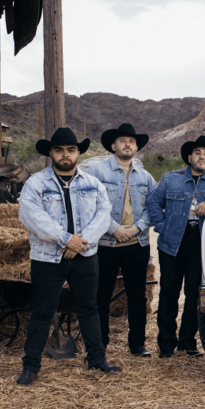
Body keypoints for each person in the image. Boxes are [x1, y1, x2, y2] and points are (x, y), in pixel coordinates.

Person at [17, 127, 119, 385]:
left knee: (88, 309)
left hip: (85, 256)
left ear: (78, 153)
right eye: (59, 150)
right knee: (42, 311)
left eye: (71, 150)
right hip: (47, 259)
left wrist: (80, 243)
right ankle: (31, 366)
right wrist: (66, 239)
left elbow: (103, 216)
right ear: (50, 153)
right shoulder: (36, 183)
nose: (65, 155)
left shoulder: (92, 184)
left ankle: (97, 359)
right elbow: (31, 217)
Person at [147, 136, 205, 358]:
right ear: (189, 157)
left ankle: (187, 342)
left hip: (201, 243)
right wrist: (162, 226)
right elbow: (153, 202)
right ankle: (166, 344)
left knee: (193, 294)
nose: (202, 157)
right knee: (168, 293)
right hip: (171, 242)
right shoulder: (169, 179)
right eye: (197, 153)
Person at [86, 123, 157, 357]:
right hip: (106, 244)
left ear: (136, 147)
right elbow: (89, 207)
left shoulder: (146, 177)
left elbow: (153, 208)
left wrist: (137, 228)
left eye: (132, 141)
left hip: (137, 245)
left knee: (137, 295)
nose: (128, 144)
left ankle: (137, 344)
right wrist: (114, 229)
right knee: (101, 296)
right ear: (113, 145)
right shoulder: (97, 173)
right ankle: (100, 345)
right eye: (123, 140)